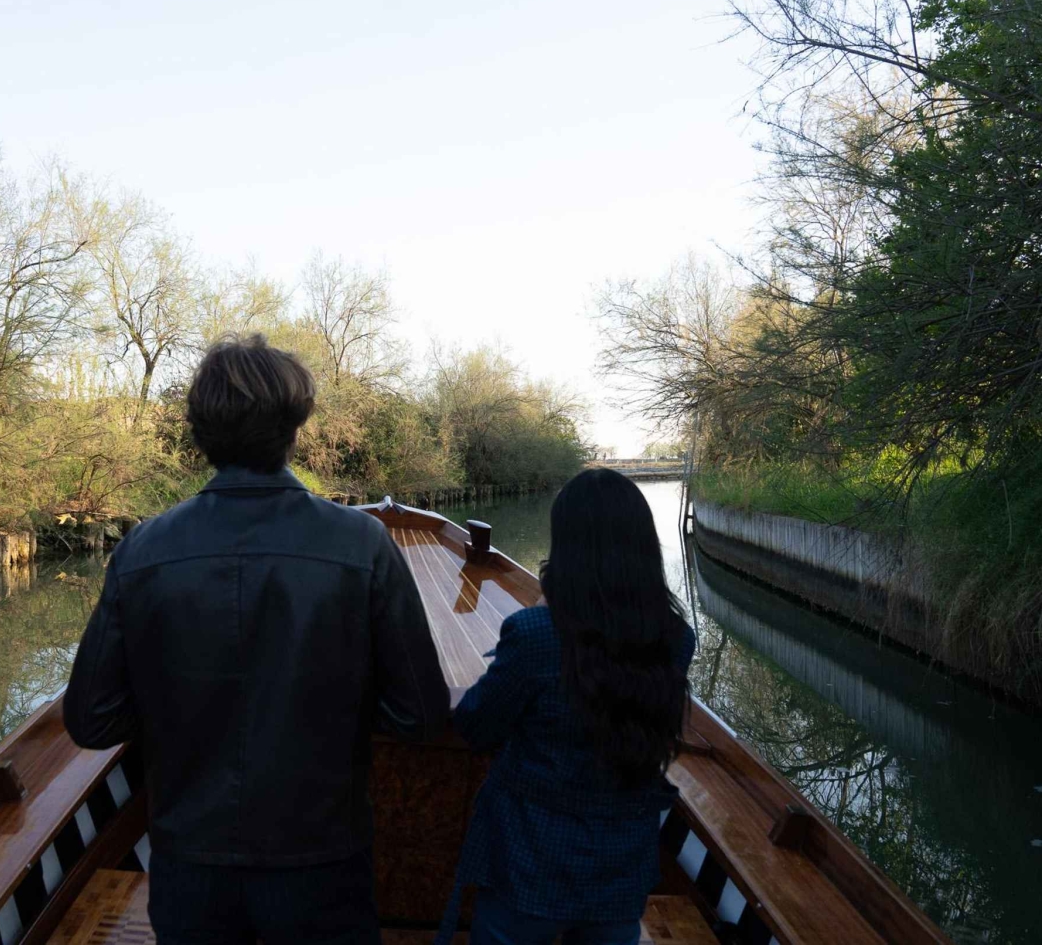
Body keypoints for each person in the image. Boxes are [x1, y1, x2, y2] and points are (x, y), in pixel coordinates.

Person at [64, 333, 448, 945]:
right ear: (294, 429)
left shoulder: (142, 551)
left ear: (200, 435)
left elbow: (92, 721)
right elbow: (420, 716)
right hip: (322, 865)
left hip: (190, 870)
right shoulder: (362, 545)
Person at [435, 468, 696, 945]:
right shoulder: (677, 640)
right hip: (620, 873)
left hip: (528, 869)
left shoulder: (535, 635)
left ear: (567, 548)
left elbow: (476, 726)